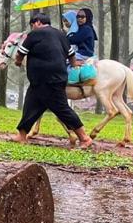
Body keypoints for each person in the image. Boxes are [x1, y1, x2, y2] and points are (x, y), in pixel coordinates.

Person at [14, 12, 93, 149]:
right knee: (30, 105)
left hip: (48, 79)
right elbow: (71, 54)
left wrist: (18, 62)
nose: (32, 28)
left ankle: (84, 138)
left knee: (61, 108)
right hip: (43, 80)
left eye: (32, 25)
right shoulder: (60, 35)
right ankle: (22, 135)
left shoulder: (34, 34)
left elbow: (21, 53)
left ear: (37, 22)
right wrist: (74, 65)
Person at [62, 8, 98, 85]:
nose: (79, 19)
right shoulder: (82, 28)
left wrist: (65, 36)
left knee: (63, 60)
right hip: (80, 52)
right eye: (78, 16)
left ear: (88, 17)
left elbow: (74, 39)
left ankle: (72, 80)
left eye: (82, 17)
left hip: (83, 53)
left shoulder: (86, 29)